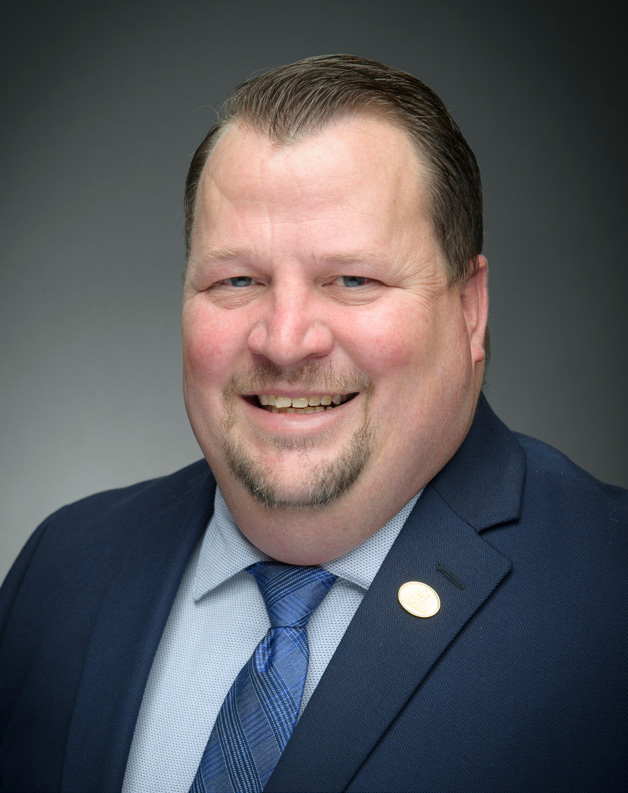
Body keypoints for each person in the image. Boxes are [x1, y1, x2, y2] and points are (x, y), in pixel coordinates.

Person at [0, 54, 624, 793]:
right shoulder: (62, 570)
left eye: (352, 280)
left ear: (469, 309)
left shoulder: (610, 594)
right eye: (238, 280)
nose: (285, 338)